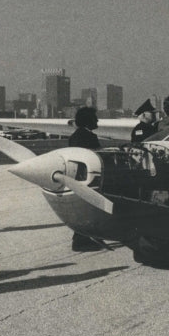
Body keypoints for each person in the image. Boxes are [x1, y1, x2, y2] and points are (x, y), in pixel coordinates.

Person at [68, 106, 102, 251]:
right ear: (89, 120)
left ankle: (83, 238)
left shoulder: (75, 135)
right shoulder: (89, 137)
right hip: (88, 178)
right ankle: (81, 240)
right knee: (90, 208)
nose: (97, 120)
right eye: (95, 118)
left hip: (77, 177)